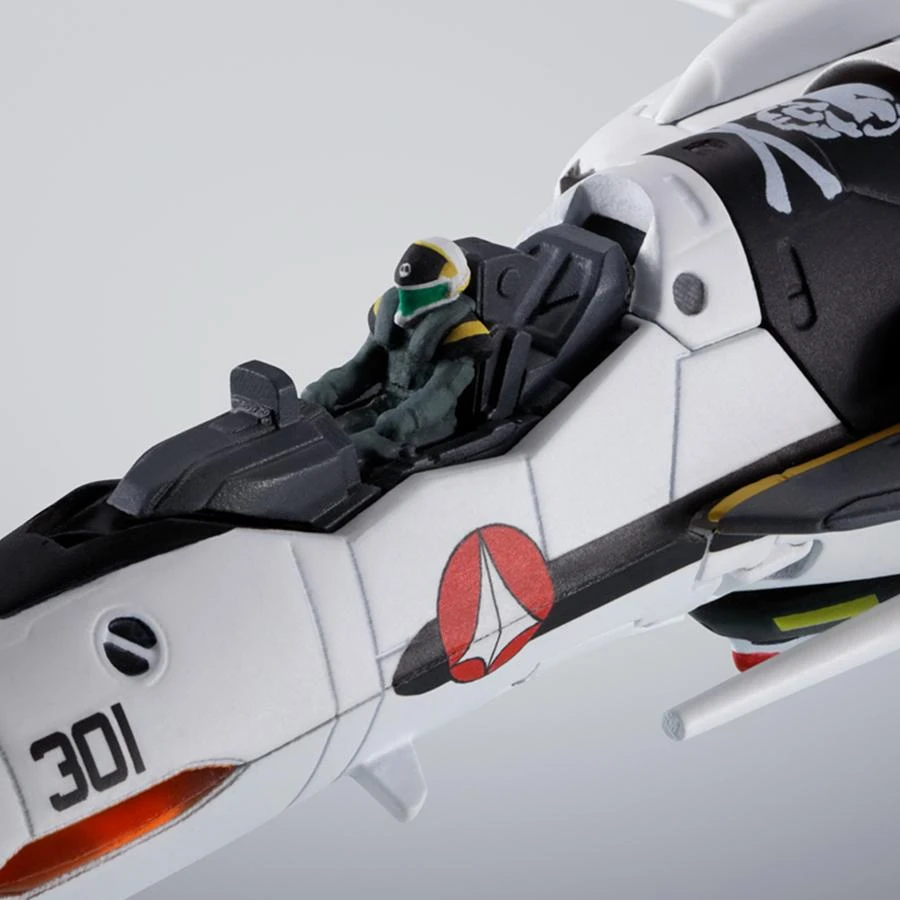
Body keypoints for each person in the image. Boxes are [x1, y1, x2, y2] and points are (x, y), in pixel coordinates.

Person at [302, 237, 492, 464]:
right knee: (327, 435)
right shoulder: (390, 313)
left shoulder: (459, 330)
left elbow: (443, 391)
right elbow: (362, 366)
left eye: (417, 292)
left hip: (430, 423)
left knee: (348, 451)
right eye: (405, 291)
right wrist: (327, 389)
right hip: (383, 407)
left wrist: (406, 419)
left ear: (446, 288)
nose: (407, 300)